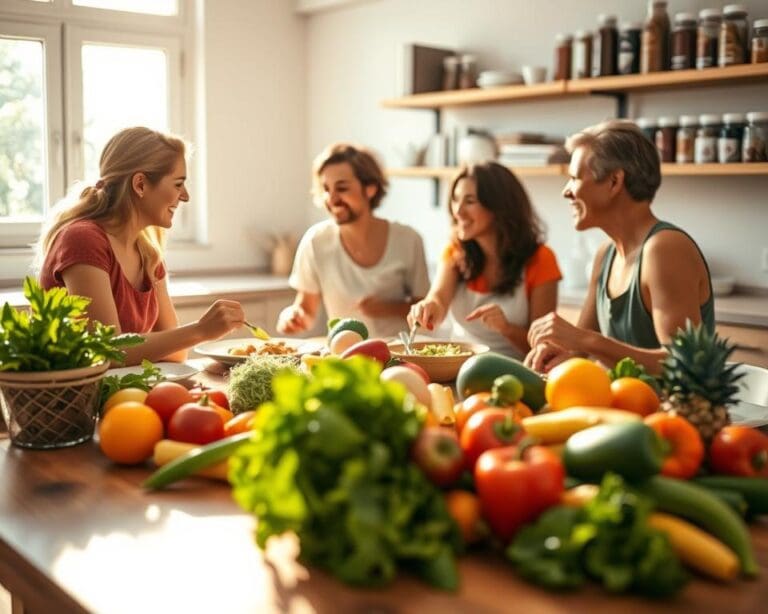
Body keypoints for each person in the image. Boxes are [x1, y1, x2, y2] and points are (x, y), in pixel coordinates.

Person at [36, 126, 245, 366]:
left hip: (126, 396)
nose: (185, 196)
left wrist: (197, 332)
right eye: (178, 184)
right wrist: (200, 330)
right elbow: (106, 352)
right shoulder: (83, 240)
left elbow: (175, 355)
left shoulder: (148, 253)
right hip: (74, 400)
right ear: (140, 185)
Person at [526, 119, 715, 374]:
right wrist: (557, 353)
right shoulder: (606, 254)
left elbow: (683, 363)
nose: (566, 192)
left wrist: (586, 340)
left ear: (614, 182)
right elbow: (581, 351)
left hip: (672, 413)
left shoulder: (664, 249)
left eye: (574, 178)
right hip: (624, 408)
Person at [407, 162, 561, 358]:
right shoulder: (455, 252)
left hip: (515, 375)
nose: (458, 211)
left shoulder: (541, 259)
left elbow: (544, 348)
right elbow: (438, 299)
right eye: (455, 200)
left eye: (470, 201)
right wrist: (428, 308)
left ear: (499, 206)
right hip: (457, 368)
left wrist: (506, 328)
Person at [276, 143, 430, 339]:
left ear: (370, 189)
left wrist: (386, 308)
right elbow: (306, 310)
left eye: (341, 188)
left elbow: (426, 308)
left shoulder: (408, 239)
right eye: (326, 189)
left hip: (398, 355)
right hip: (344, 356)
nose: (331, 198)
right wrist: (291, 316)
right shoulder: (316, 241)